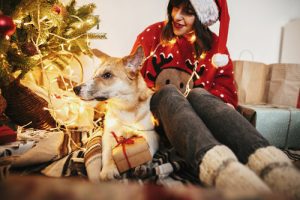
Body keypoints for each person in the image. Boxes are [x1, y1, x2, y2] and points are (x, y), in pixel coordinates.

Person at [130, 0, 300, 198]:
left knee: (199, 94)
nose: (177, 16)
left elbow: (226, 90)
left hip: (198, 123)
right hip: (157, 116)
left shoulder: (215, 48)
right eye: (175, 7)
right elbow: (128, 77)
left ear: (202, 17)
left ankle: (272, 164)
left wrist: (220, 108)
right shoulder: (153, 34)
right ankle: (222, 169)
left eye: (188, 11)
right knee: (169, 92)